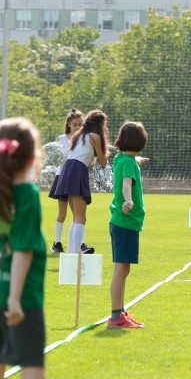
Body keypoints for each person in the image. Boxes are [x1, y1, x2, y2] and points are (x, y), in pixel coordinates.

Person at [0, 118, 47, 377]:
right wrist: (15, 298)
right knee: (31, 364)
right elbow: (24, 249)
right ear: (32, 159)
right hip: (21, 299)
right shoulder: (27, 195)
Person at [106, 121, 148, 329]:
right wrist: (128, 200)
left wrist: (138, 159)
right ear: (140, 141)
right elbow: (126, 184)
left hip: (121, 222)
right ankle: (115, 317)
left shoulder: (121, 158)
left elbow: (130, 163)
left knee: (124, 269)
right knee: (121, 269)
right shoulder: (128, 163)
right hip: (125, 222)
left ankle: (120, 312)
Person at [51, 109, 109, 254]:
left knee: (77, 217)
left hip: (68, 169)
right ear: (100, 124)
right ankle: (74, 254)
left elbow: (89, 159)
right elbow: (103, 162)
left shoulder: (80, 134)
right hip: (77, 170)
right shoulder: (95, 136)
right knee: (81, 218)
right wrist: (105, 141)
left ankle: (72, 252)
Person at [49, 108, 84, 253]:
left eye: (80, 125)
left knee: (78, 213)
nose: (77, 127)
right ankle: (57, 243)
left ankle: (81, 243)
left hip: (75, 178)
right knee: (62, 212)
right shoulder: (61, 139)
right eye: (75, 124)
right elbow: (55, 158)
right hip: (62, 177)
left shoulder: (84, 139)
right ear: (68, 124)